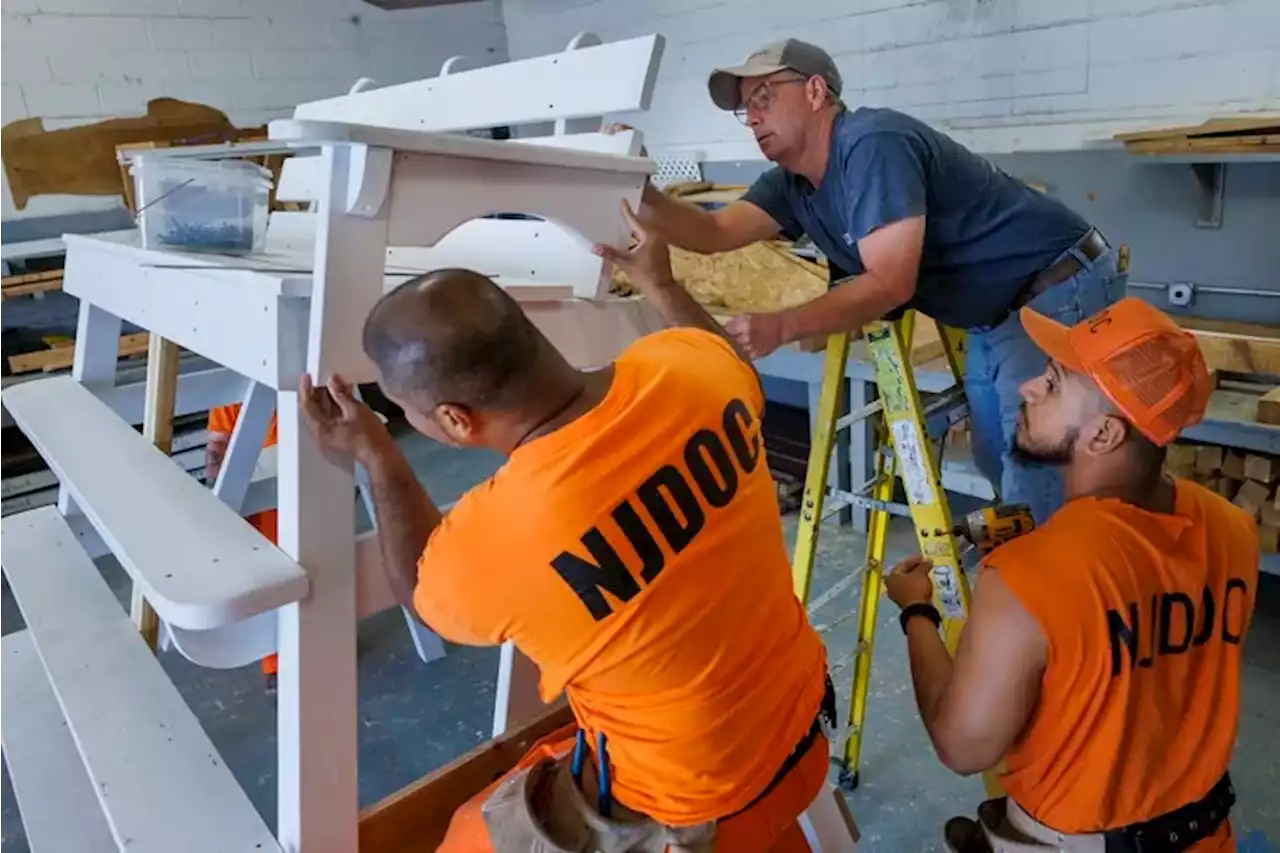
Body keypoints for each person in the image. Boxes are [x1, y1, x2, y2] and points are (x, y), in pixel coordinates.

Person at [295, 203, 835, 851]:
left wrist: (377, 452)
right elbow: (731, 362)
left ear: (456, 421)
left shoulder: (503, 533)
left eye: (411, 412)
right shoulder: (693, 370)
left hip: (695, 805)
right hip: (803, 723)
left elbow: (422, 591)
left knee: (466, 837)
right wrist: (662, 285)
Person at [626, 38, 1127, 525]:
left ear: (816, 91)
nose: (753, 116)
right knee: (994, 452)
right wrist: (635, 185)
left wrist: (782, 326)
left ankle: (1059, 589)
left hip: (1055, 285)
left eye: (764, 97)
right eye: (745, 109)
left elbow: (890, 283)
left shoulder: (872, 143)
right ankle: (1039, 563)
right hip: (993, 313)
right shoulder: (791, 182)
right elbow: (714, 232)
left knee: (1034, 459)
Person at [881, 296, 1255, 852]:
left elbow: (964, 748)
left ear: (1103, 436)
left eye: (1054, 384)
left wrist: (917, 612)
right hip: (1204, 836)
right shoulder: (1234, 529)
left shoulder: (1027, 576)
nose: (1029, 387)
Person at [207, 403, 280, 689]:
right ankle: (275, 658)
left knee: (278, 571)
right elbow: (218, 444)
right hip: (256, 489)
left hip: (297, 478)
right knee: (266, 574)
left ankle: (278, 659)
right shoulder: (232, 397)